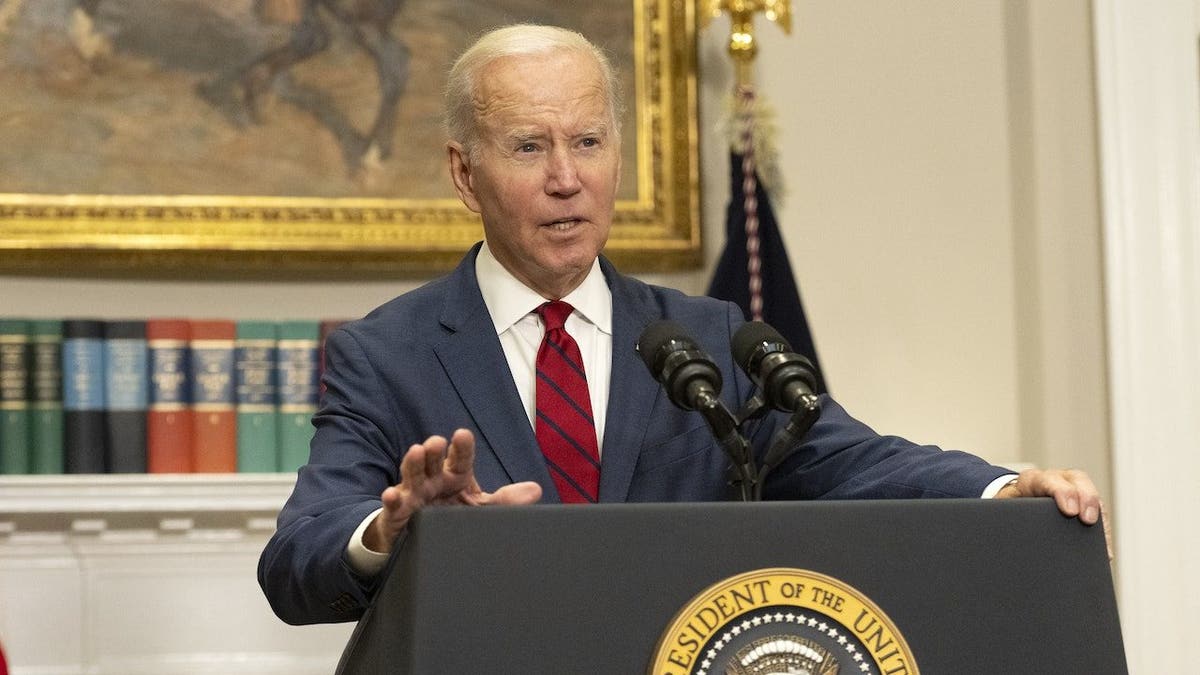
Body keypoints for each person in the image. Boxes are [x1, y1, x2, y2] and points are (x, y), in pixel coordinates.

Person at [257, 24, 1108, 626]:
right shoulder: (387, 354)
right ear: (463, 172)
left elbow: (850, 457)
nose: (566, 179)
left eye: (588, 142)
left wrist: (1002, 489)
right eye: (528, 147)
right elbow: (296, 562)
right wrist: (392, 528)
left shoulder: (705, 336)